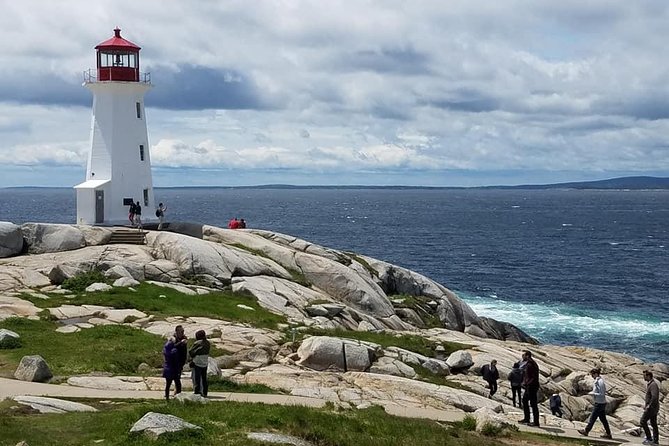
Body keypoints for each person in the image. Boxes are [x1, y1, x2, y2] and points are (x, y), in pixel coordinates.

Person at [578, 368, 612, 439]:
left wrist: (593, 393)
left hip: (599, 403)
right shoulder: (598, 381)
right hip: (600, 402)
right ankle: (608, 434)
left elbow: (602, 393)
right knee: (603, 420)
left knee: (592, 418)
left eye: (592, 375)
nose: (592, 376)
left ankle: (586, 431)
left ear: (596, 374)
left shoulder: (600, 382)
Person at [162, 325, 187, 400]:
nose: (183, 333)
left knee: (176, 382)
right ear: (177, 331)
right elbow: (173, 347)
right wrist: (181, 343)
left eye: (183, 331)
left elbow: (184, 351)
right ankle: (172, 397)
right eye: (181, 331)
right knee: (173, 382)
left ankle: (173, 397)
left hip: (177, 363)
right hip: (173, 365)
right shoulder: (173, 340)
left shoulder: (183, 338)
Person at [518, 350, 540, 427]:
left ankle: (535, 422)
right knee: (525, 401)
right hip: (531, 386)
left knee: (533, 404)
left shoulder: (531, 364)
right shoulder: (530, 363)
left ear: (527, 356)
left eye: (523, 355)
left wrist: (527, 383)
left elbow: (533, 377)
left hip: (531, 387)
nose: (522, 357)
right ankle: (527, 419)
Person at [640, 370, 660, 445]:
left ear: (648, 376)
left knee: (642, 421)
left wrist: (649, 406)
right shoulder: (651, 384)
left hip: (652, 408)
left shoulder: (653, 385)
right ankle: (655, 441)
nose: (643, 377)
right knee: (653, 423)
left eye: (644, 376)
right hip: (653, 408)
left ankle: (649, 438)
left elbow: (654, 397)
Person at [189, 329, 211, 397]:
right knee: (204, 379)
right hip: (205, 362)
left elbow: (191, 352)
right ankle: (205, 392)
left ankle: (197, 392)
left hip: (197, 363)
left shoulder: (197, 343)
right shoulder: (208, 343)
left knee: (197, 379)